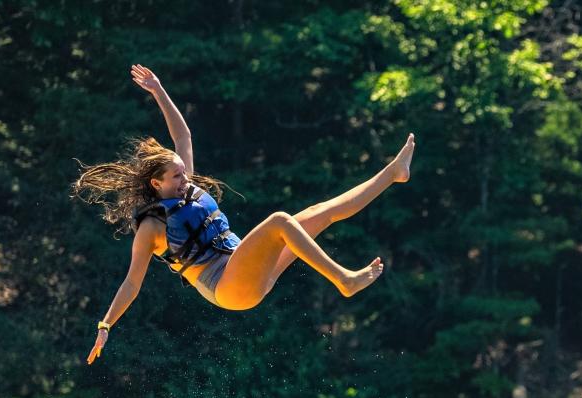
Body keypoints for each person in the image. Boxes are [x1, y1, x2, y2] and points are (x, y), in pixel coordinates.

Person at [76, 64, 415, 365]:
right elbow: (133, 282)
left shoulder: (186, 188)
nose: (186, 179)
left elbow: (183, 136)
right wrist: (106, 324)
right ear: (157, 183)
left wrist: (158, 90)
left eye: (184, 173)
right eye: (177, 176)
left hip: (245, 266)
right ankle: (344, 280)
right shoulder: (152, 226)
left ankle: (393, 174)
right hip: (228, 288)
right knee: (281, 221)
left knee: (317, 214)